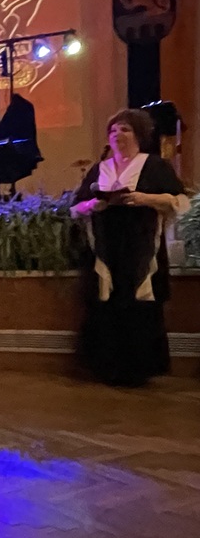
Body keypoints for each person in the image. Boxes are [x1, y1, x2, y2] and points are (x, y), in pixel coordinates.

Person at [71, 108, 189, 387]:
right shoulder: (100, 169)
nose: (117, 134)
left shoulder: (154, 166)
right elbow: (76, 208)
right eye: (113, 130)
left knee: (138, 303)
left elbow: (181, 202)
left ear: (139, 134)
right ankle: (106, 367)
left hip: (141, 246)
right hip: (105, 248)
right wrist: (94, 204)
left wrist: (145, 198)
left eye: (124, 129)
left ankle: (138, 370)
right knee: (105, 304)